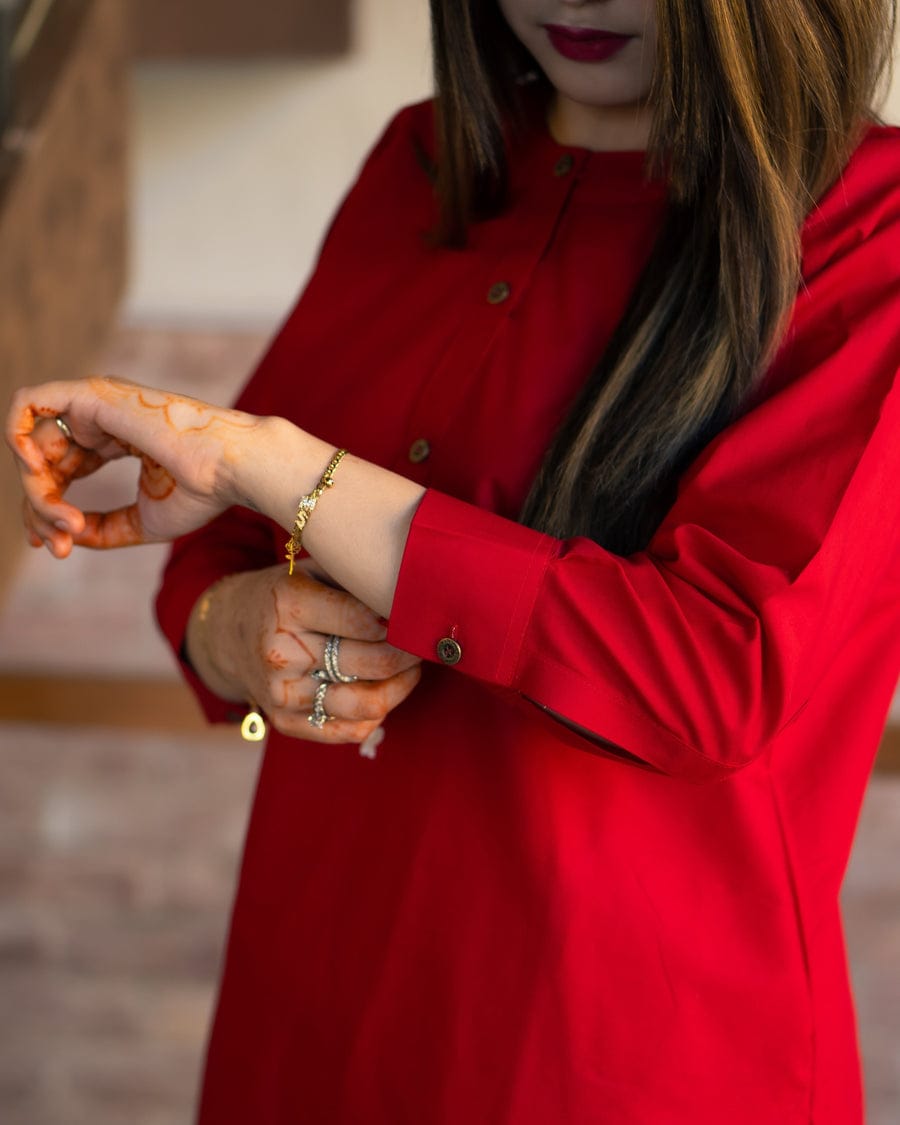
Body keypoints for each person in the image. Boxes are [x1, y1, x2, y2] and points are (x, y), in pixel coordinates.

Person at [7, 0, 900, 1120]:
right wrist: (236, 633)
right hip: (310, 1009)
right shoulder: (421, 162)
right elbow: (224, 547)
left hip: (608, 1063)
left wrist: (287, 467)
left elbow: (714, 677)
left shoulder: (874, 228)